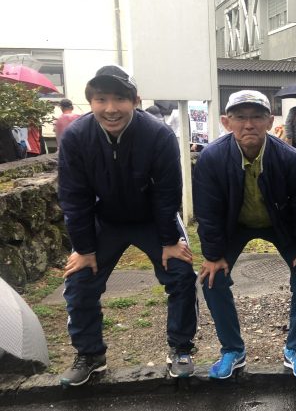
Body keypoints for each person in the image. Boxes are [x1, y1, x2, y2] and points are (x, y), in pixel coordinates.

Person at [57, 65, 198, 386]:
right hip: (105, 219)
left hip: (152, 218)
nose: (111, 108)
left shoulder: (158, 135)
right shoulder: (76, 137)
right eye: (101, 99)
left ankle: (181, 348)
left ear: (135, 100)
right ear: (90, 102)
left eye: (119, 99)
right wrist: (84, 249)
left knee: (180, 273)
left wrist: (169, 241)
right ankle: (90, 355)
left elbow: (167, 193)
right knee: (79, 280)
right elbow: (74, 197)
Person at [193, 90, 296, 379]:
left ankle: (295, 350)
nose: (248, 124)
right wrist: (213, 255)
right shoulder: (211, 158)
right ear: (226, 122)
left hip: (280, 224)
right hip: (234, 225)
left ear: (270, 121)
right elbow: (207, 211)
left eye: (257, 117)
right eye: (240, 117)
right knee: (212, 277)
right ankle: (232, 350)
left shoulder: (291, 159)